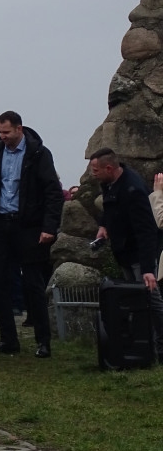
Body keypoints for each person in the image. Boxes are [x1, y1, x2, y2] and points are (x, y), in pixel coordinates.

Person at [0, 111, 62, 359]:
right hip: (0, 224)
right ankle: (8, 339)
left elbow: (52, 192)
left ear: (19, 129)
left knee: (33, 283)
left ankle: (43, 342)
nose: (2, 137)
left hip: (29, 226)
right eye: (0, 132)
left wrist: (49, 227)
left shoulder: (39, 153)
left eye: (6, 132)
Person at [90, 149, 163, 362]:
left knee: (151, 299)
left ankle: (160, 346)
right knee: (134, 299)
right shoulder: (108, 183)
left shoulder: (134, 190)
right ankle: (141, 346)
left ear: (109, 168)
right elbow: (109, 207)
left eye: (96, 170)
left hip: (139, 253)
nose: (93, 174)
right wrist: (104, 226)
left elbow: (147, 231)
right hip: (123, 250)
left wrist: (149, 269)